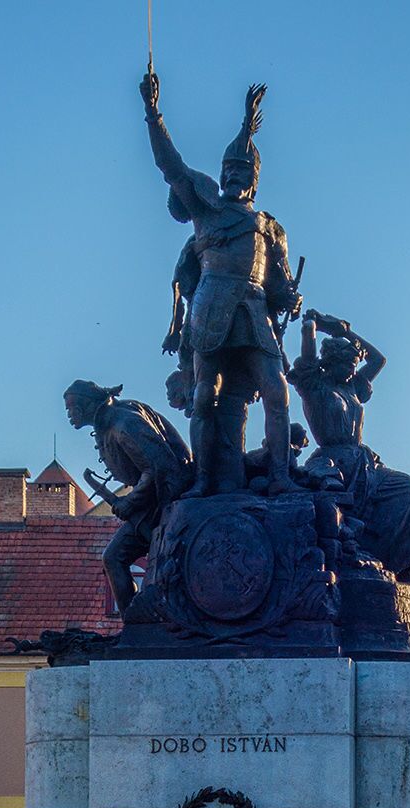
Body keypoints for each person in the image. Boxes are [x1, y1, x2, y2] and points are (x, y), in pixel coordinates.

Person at [141, 71, 301, 496]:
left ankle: (282, 477)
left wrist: (290, 297)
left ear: (254, 176)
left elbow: (280, 285)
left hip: (252, 310)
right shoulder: (207, 207)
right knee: (203, 398)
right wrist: (153, 114)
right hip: (211, 307)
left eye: (242, 169)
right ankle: (204, 481)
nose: (233, 174)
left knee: (276, 393)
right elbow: (170, 166)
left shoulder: (270, 228)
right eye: (228, 167)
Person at [288, 310, 410, 582]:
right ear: (331, 362)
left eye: (355, 366)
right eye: (348, 365)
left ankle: (398, 565)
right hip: (333, 463)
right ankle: (360, 563)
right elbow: (308, 349)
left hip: (364, 461)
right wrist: (311, 326)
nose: (353, 371)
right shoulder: (314, 385)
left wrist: (340, 330)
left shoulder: (353, 387)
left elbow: (379, 359)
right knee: (346, 514)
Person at [64, 380, 191, 614]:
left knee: (116, 557)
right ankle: (134, 621)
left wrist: (130, 502)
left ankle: (136, 622)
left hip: (169, 499)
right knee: (114, 558)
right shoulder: (110, 422)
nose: (69, 415)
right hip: (153, 500)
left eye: (71, 408)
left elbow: (158, 466)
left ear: (85, 406)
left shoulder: (123, 424)